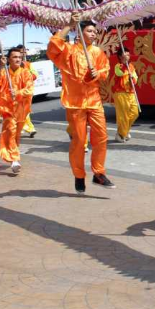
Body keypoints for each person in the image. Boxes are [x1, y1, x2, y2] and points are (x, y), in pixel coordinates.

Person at [47, 14, 113, 194]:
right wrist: (68, 25)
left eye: (95, 31)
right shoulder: (68, 51)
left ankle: (98, 173)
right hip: (75, 103)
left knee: (101, 137)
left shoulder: (97, 52)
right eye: (89, 31)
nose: (93, 34)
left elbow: (105, 70)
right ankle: (78, 175)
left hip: (94, 100)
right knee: (79, 141)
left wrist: (97, 74)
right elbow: (52, 48)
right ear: (80, 32)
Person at [0, 48, 34, 174]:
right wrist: (0, 67)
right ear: (8, 59)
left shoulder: (25, 73)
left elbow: (30, 90)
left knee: (16, 134)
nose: (17, 59)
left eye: (19, 57)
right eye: (14, 57)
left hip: (21, 109)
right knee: (11, 131)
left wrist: (18, 92)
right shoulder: (4, 72)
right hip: (8, 108)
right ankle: (15, 159)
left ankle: (14, 155)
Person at [113, 49, 139, 143]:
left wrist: (133, 79)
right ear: (120, 56)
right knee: (123, 116)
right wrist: (124, 67)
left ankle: (123, 131)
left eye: (128, 54)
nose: (127, 56)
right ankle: (121, 134)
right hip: (121, 93)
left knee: (135, 112)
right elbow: (118, 73)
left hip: (131, 93)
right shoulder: (118, 66)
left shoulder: (131, 66)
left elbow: (136, 78)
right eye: (125, 54)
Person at [14, 45, 38, 138]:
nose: (24, 53)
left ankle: (22, 127)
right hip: (17, 92)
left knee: (26, 110)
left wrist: (26, 72)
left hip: (27, 91)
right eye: (21, 52)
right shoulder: (13, 65)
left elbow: (35, 76)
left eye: (25, 51)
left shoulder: (28, 64)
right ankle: (30, 128)